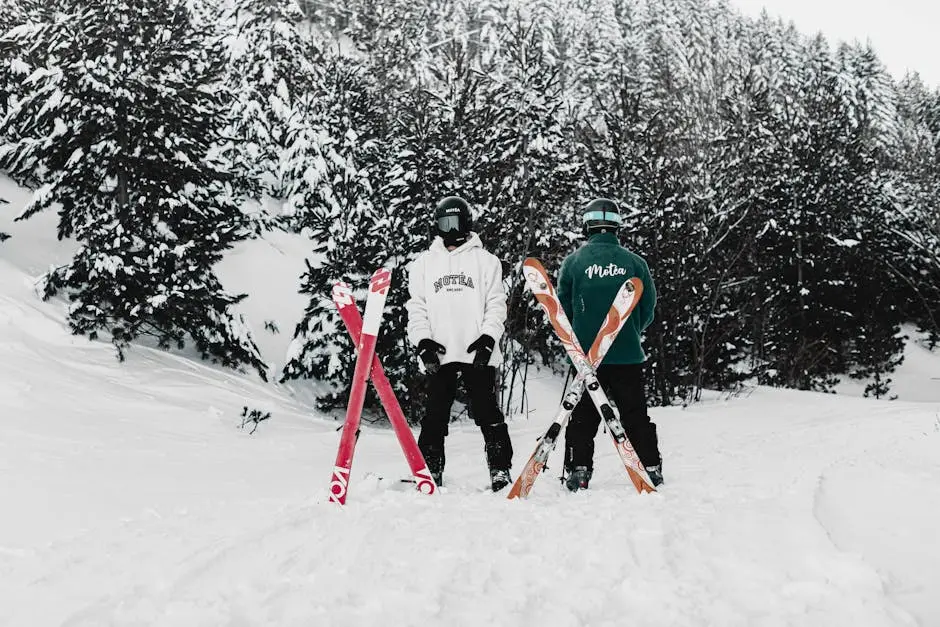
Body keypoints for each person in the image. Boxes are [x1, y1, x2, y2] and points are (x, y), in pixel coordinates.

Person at [405, 195, 514, 491]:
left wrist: (488, 339)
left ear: (466, 223)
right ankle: (430, 468)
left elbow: (496, 304)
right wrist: (423, 342)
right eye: (444, 223)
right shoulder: (423, 264)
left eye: (455, 223)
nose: (450, 230)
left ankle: (500, 468)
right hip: (439, 351)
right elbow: (417, 308)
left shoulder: (486, 262)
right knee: (435, 413)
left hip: (477, 350)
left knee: (487, 411)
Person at [556, 197, 663, 491]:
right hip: (627, 356)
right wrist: (627, 332)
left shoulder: (574, 263)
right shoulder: (635, 262)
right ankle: (650, 465)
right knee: (635, 414)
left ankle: (579, 468)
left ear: (587, 223)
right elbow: (648, 308)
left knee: (583, 416)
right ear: (617, 224)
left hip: (586, 358)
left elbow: (561, 310)